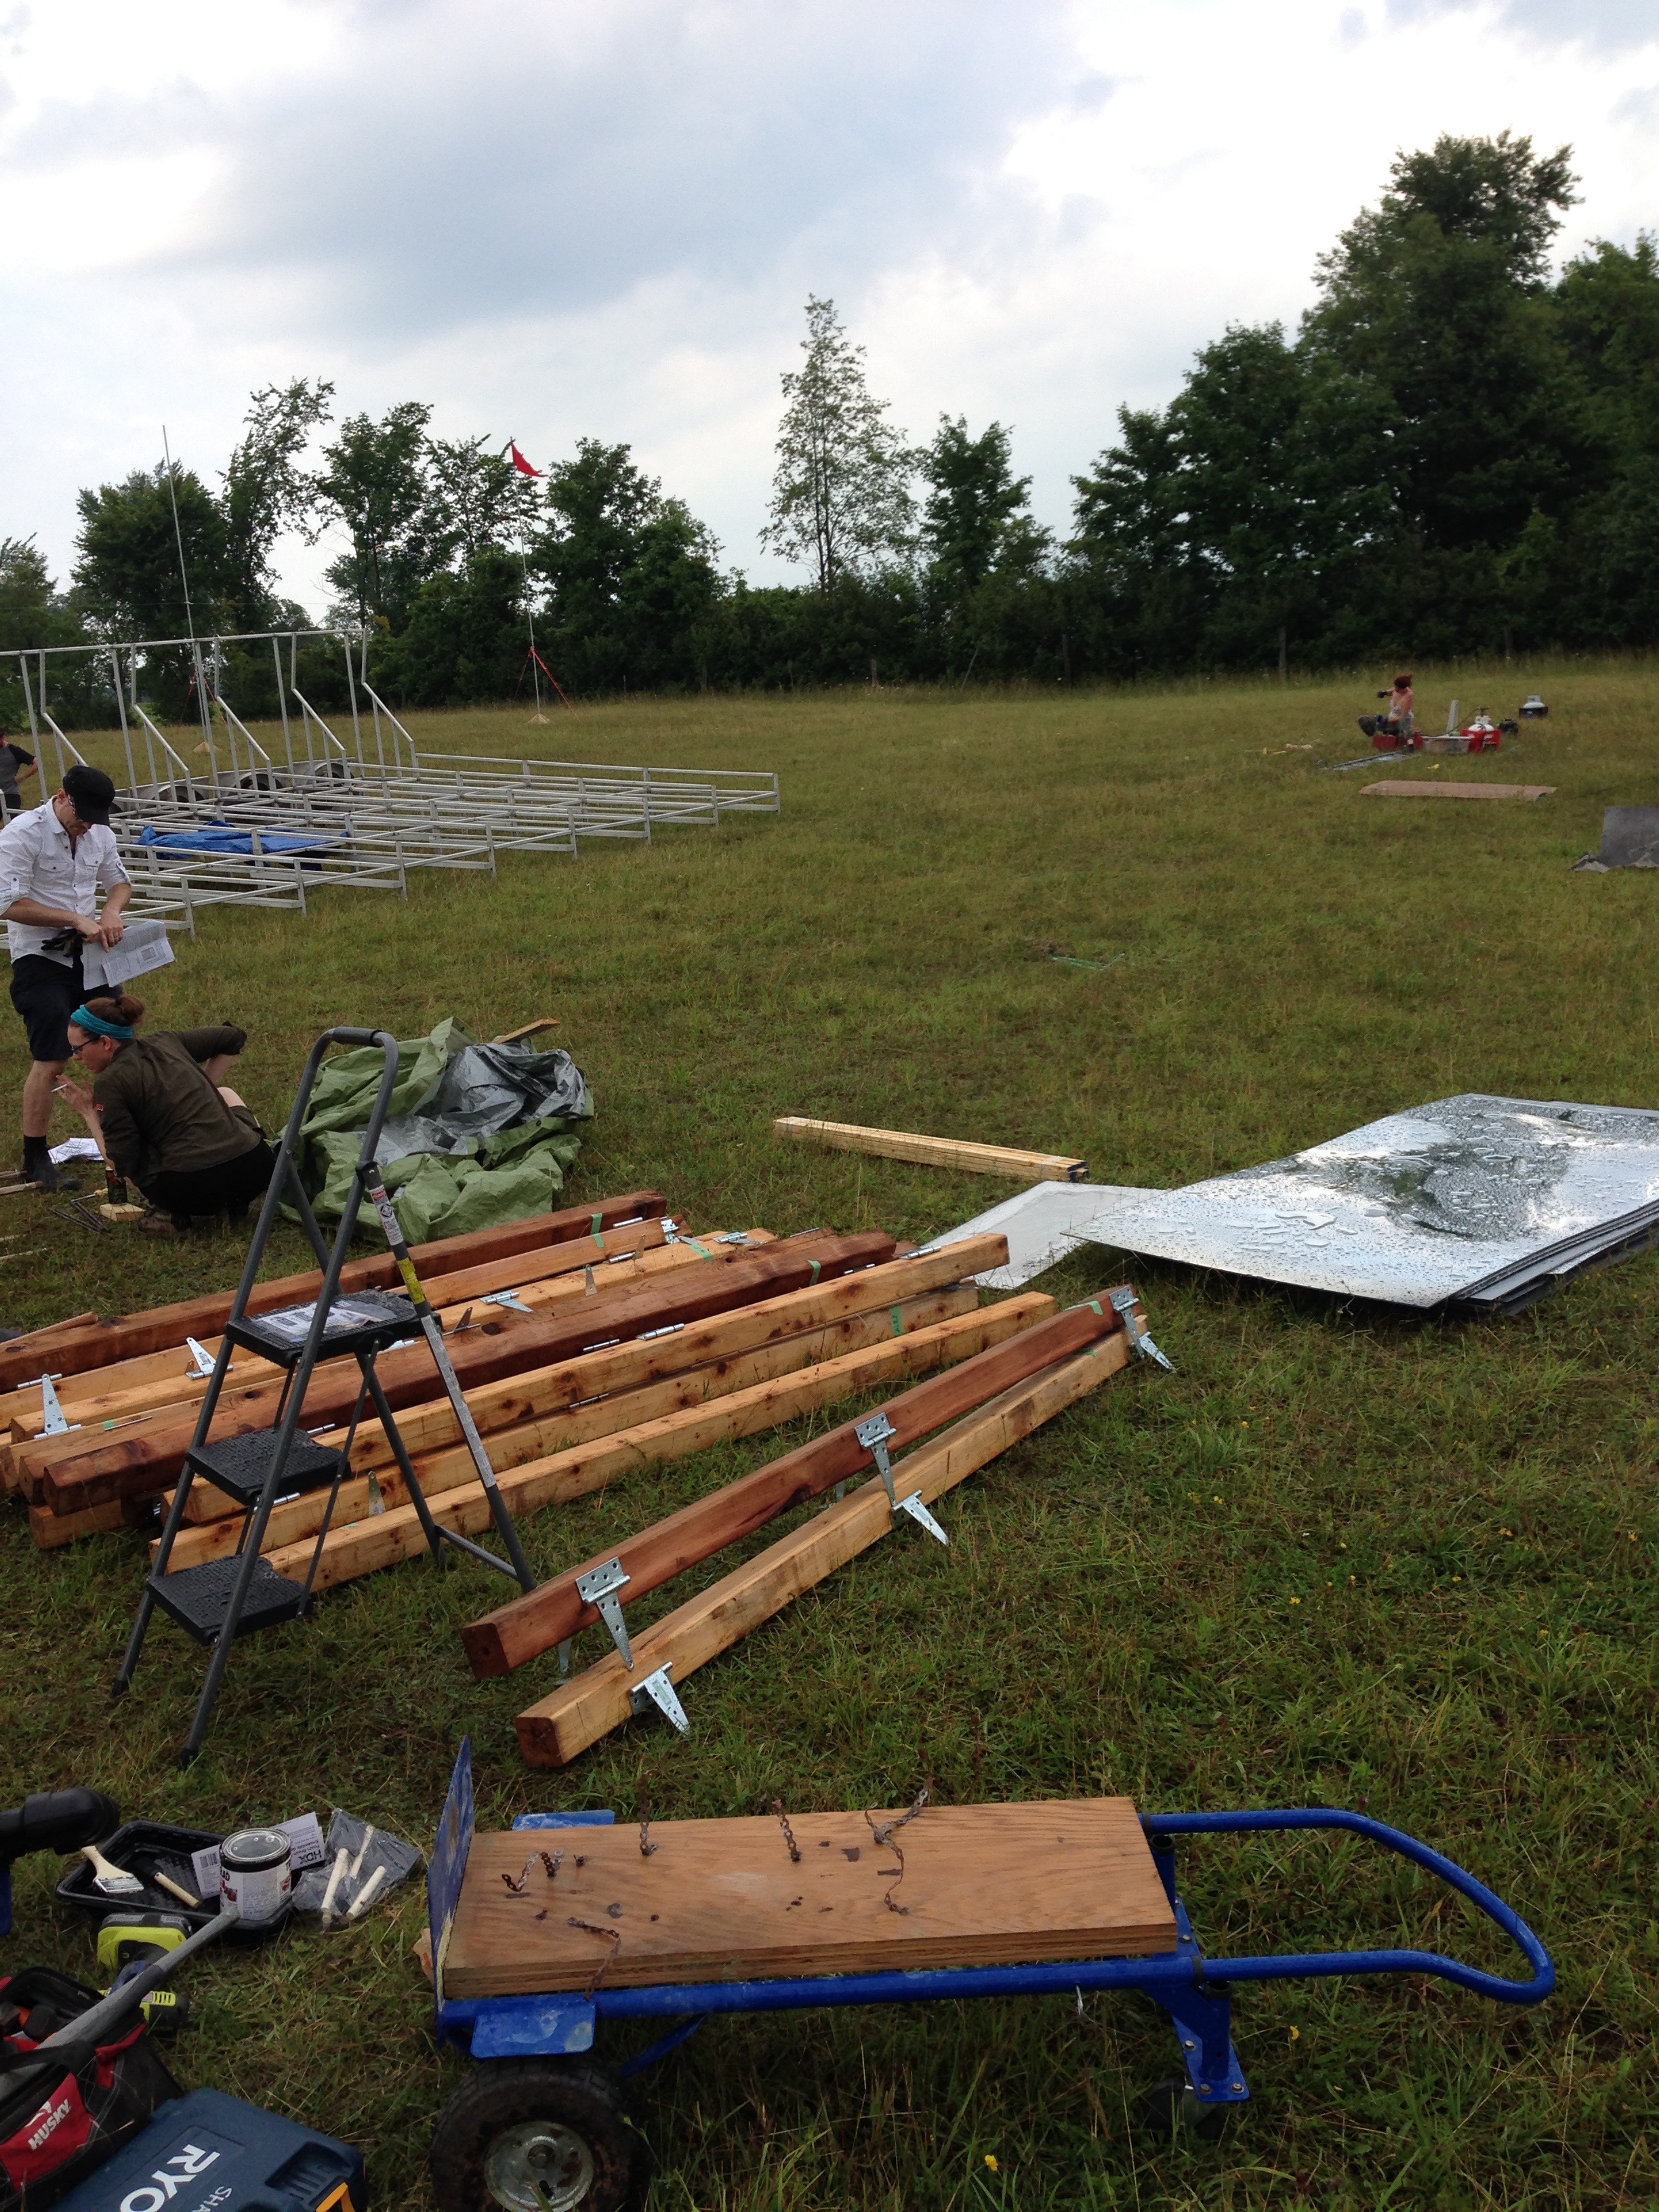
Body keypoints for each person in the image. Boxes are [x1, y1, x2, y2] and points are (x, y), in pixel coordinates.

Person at [0, 765, 130, 1189]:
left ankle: (124, 1136)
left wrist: (110, 910)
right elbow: (8, 904)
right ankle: (35, 1156)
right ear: (61, 797)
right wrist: (73, 918)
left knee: (117, 1038)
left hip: (89, 955)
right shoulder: (22, 834)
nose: (87, 824)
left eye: (96, 817)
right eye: (82, 815)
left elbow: (119, 883)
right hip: (39, 959)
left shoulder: (100, 834)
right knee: (53, 1055)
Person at [54, 995, 275, 1231]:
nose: (75, 1057)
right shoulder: (167, 1042)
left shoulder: (111, 1082)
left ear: (106, 1042)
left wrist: (88, 1112)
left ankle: (170, 1212)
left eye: (77, 1049)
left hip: (194, 1189)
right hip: (256, 1170)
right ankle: (237, 1200)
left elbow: (120, 1160)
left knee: (138, 1156)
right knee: (226, 1093)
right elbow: (232, 1037)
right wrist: (203, 1089)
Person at [1359, 674, 1415, 746]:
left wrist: (1387, 720)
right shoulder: (1395, 690)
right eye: (1395, 687)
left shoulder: (1409, 696)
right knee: (1364, 720)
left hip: (1402, 722)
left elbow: (1403, 717)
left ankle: (1408, 743)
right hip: (1390, 720)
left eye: (1397, 688)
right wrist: (1384, 693)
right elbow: (1390, 692)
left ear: (1404, 688)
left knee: (1408, 731)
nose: (1395, 689)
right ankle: (1376, 738)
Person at [0, 728, 38, 821]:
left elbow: (36, 763)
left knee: (12, 825)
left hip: (11, 794)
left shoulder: (14, 751)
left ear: (3, 738)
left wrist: (23, 777)